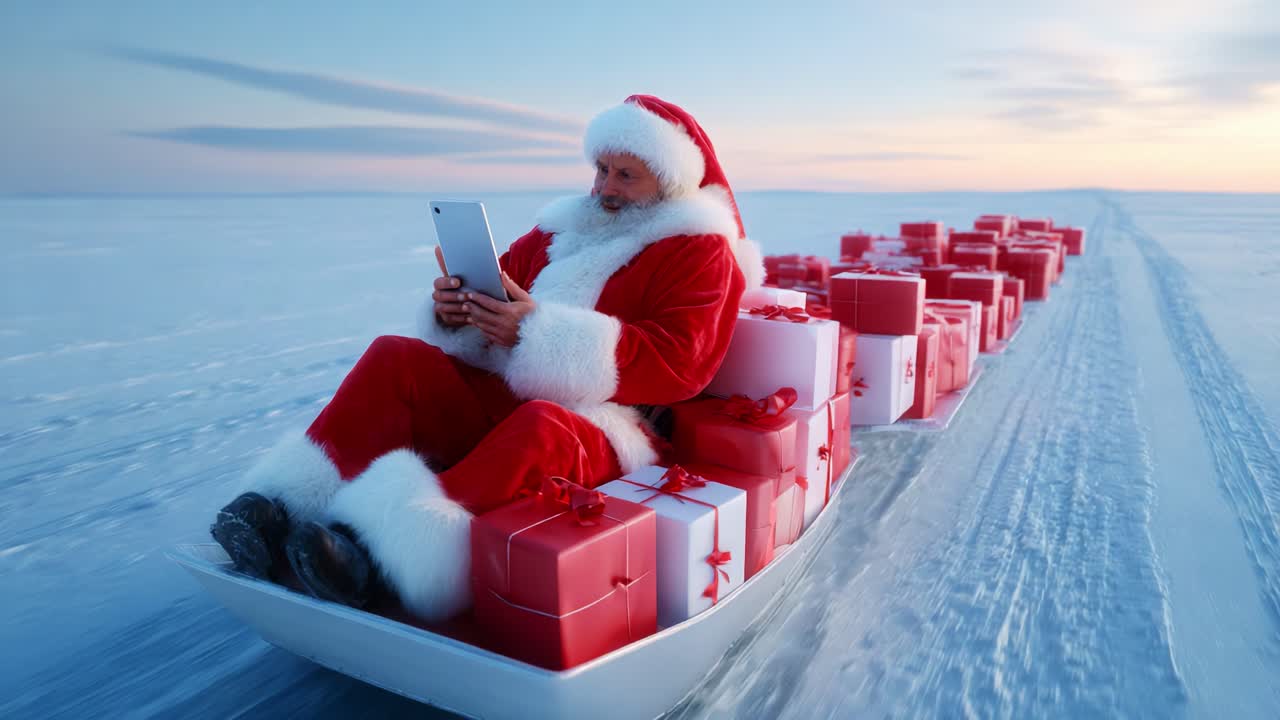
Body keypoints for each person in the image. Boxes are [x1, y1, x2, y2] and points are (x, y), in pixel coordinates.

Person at [210, 94, 763, 622]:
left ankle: (377, 556)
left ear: (666, 183)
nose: (605, 188)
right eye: (601, 169)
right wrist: (458, 309)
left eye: (626, 175)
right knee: (394, 358)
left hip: (613, 419)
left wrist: (539, 333)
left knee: (541, 425)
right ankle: (283, 506)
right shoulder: (562, 227)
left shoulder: (700, 249)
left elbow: (684, 364)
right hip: (507, 385)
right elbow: (500, 285)